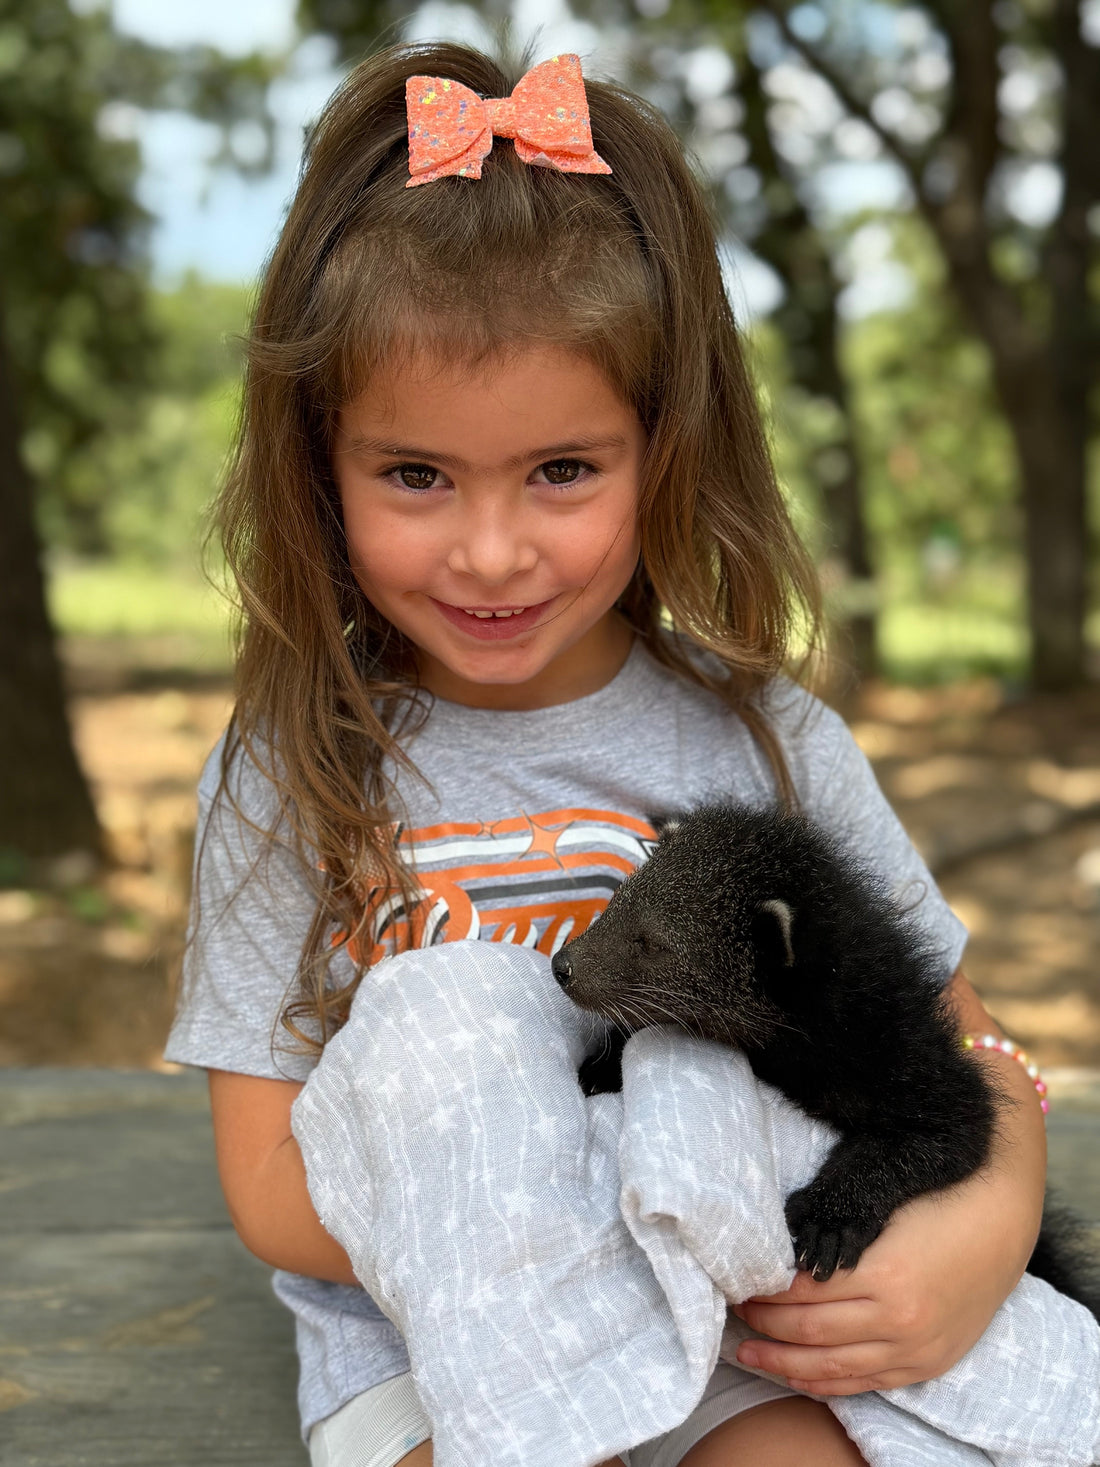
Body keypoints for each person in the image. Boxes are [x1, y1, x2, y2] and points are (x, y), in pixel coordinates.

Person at [165, 41, 1048, 1467]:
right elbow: (269, 1190)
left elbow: (970, 1050)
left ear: (666, 448)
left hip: (736, 1320)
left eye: (562, 471)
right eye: (416, 475)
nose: (492, 551)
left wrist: (988, 1225)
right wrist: (571, 1215)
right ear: (320, 468)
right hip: (430, 1335)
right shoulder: (292, 772)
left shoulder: (770, 742)